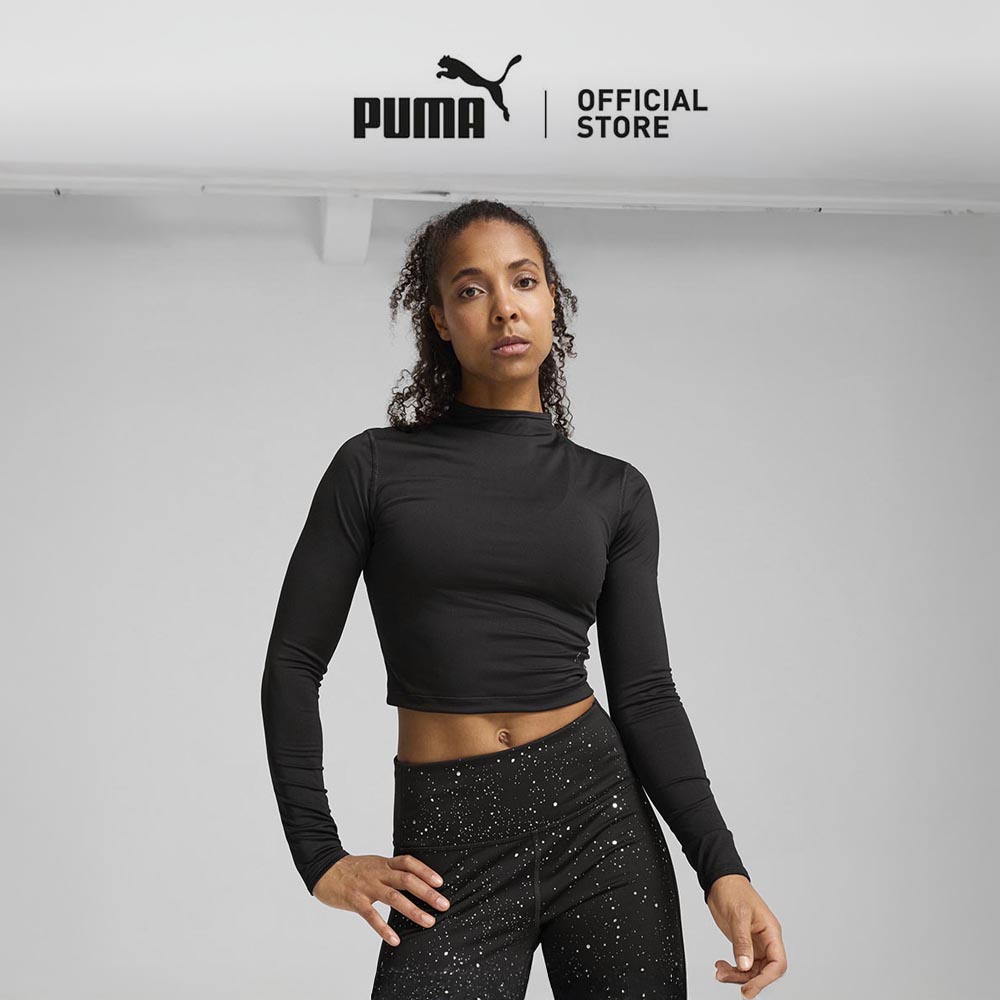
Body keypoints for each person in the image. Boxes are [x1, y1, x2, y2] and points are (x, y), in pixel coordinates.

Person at [260, 199, 787, 999]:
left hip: (601, 822)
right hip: (448, 842)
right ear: (440, 319)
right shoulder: (372, 470)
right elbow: (294, 665)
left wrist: (724, 869)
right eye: (471, 290)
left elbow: (646, 695)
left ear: (552, 303)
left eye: (525, 281)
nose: (504, 306)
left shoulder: (614, 491)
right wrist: (319, 857)